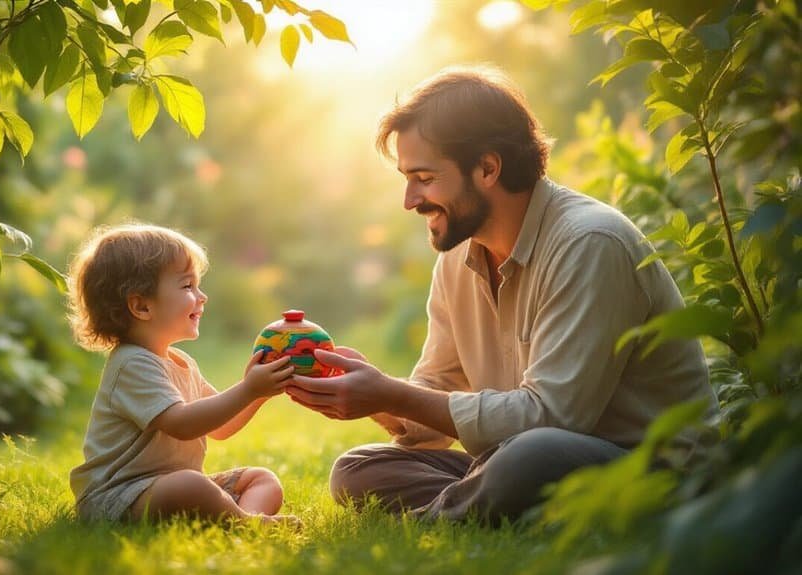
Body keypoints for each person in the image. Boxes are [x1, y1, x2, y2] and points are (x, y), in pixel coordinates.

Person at [285, 66, 718, 523]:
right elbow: (437, 390)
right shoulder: (458, 257)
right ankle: (493, 506)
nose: (409, 200)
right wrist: (377, 395)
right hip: (524, 456)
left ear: (488, 168)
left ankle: (437, 519)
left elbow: (552, 418)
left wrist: (392, 393)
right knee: (358, 469)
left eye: (424, 178)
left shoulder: (589, 243)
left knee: (530, 455)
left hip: (647, 470)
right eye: (406, 179)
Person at [67, 223, 298, 525]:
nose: (202, 297)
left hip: (168, 487)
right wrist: (248, 389)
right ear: (141, 305)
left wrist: (259, 393)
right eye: (188, 286)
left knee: (260, 479)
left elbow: (221, 427)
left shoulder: (182, 362)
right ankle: (246, 524)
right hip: (118, 497)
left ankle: (241, 521)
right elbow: (183, 424)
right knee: (191, 485)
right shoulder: (131, 364)